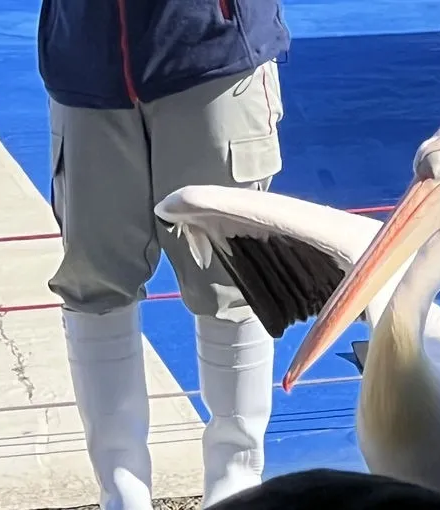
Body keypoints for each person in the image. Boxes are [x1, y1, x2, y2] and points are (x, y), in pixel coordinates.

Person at [36, 2, 290, 509]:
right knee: (95, 285)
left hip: (214, 57)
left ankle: (234, 486)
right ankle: (121, 494)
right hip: (86, 62)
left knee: (233, 280)